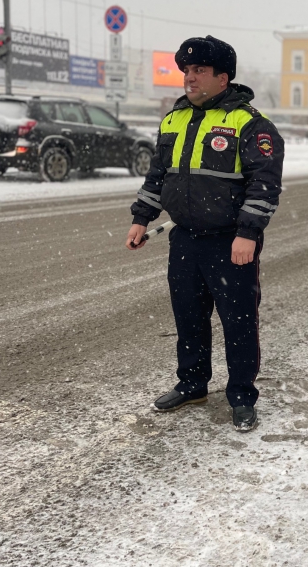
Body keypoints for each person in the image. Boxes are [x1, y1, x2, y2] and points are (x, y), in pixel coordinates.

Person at [126, 36, 284, 431]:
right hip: (184, 238)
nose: (189, 77)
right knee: (189, 317)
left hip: (231, 241)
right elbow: (158, 175)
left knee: (238, 321)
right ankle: (193, 384)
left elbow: (264, 183)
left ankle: (242, 396)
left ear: (222, 78)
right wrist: (141, 217)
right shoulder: (173, 119)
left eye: (199, 71)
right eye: (186, 70)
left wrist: (248, 233)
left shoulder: (249, 124)